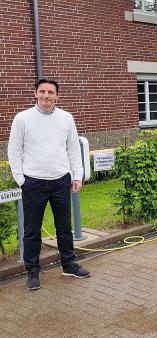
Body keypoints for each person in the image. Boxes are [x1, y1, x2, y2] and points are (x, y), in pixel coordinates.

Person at [8, 79, 91, 291]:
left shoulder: (66, 118)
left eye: (51, 92)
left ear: (57, 96)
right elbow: (14, 150)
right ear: (35, 93)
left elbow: (73, 148)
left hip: (60, 180)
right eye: (42, 91)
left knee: (64, 227)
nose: (46, 95)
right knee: (32, 230)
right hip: (33, 182)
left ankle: (69, 265)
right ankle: (33, 271)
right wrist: (21, 179)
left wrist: (77, 175)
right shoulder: (22, 119)